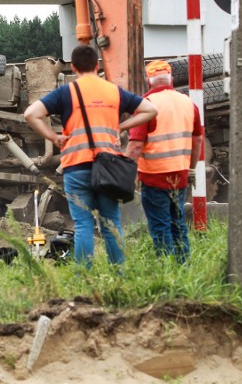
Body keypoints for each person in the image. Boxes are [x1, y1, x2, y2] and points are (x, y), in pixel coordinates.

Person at [24, 45, 157, 267]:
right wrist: (122, 126)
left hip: (77, 167)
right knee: (111, 222)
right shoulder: (114, 91)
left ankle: (84, 274)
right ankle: (119, 273)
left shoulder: (66, 92)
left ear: (74, 68)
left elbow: (31, 114)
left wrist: (53, 137)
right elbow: (150, 110)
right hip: (108, 167)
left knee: (83, 224)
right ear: (97, 65)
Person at [126, 60, 203, 264]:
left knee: (160, 226)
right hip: (180, 176)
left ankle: (166, 271)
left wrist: (125, 173)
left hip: (154, 178)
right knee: (177, 223)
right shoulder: (188, 103)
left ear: (148, 80)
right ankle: (183, 266)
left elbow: (135, 146)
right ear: (171, 78)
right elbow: (197, 141)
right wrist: (192, 169)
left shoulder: (146, 105)